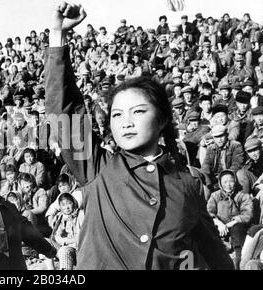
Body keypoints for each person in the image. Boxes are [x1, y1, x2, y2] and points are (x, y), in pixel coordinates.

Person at [45, 2, 234, 270]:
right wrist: (58, 36)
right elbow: (64, 113)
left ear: (163, 119)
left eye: (138, 112)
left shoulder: (188, 185)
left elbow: (214, 256)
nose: (126, 123)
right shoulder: (98, 169)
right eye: (117, 115)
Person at [207, 170, 253, 269]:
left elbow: (247, 215)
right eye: (225, 182)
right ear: (220, 183)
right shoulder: (215, 196)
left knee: (238, 228)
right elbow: (208, 212)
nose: (228, 185)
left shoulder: (243, 196)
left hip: (236, 227)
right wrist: (218, 223)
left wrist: (229, 224)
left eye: (231, 181)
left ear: (235, 181)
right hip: (219, 227)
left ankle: (238, 260)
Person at [49, 193, 84, 270]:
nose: (66, 207)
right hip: (64, 246)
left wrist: (65, 241)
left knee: (64, 250)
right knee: (46, 242)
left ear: (74, 203)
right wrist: (62, 240)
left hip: (78, 250)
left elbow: (83, 237)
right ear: (60, 207)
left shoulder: (81, 214)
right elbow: (56, 236)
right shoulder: (60, 217)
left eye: (69, 203)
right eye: (63, 205)